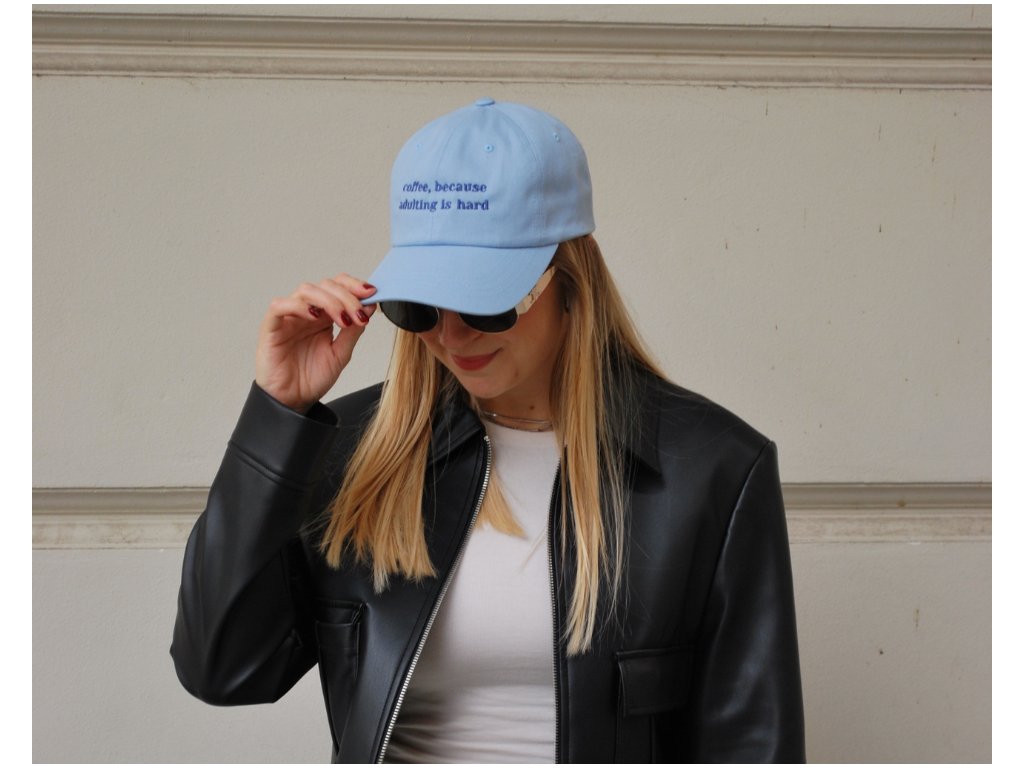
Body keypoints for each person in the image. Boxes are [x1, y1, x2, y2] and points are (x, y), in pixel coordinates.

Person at [171, 98, 805, 763]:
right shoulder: (351, 451)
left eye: (484, 301)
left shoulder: (709, 468)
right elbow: (222, 670)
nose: (451, 334)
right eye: (420, 305)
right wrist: (278, 418)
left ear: (571, 278)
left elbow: (754, 747)